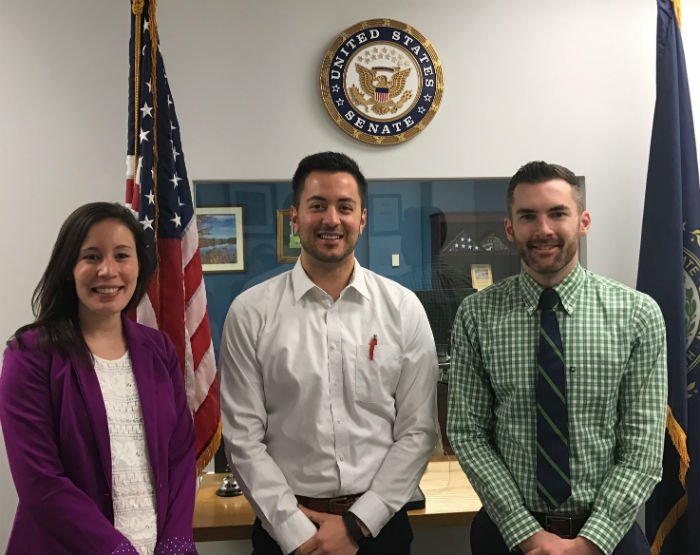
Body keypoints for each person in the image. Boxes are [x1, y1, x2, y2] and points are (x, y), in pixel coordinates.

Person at [219, 151, 438, 555]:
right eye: (317, 205)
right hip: (285, 535)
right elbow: (242, 439)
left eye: (345, 207)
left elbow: (419, 431)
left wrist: (358, 524)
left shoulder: (403, 309)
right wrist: (294, 530)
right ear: (294, 218)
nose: (331, 219)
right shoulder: (250, 313)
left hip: (380, 532)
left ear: (363, 219)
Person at [447, 161, 667, 555]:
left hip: (609, 537)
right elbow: (468, 433)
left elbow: (642, 447)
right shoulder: (476, 316)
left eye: (558, 213)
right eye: (528, 216)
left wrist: (589, 542)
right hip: (508, 536)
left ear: (583, 221)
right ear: (510, 228)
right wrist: (527, 534)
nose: (543, 229)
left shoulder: (637, 314)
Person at [0, 202, 197, 555]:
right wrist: (117, 551)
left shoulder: (158, 349)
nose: (108, 271)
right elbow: (40, 482)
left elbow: (180, 454)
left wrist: (176, 544)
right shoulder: (29, 354)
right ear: (68, 268)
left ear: (139, 266)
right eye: (91, 256)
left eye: (122, 256)